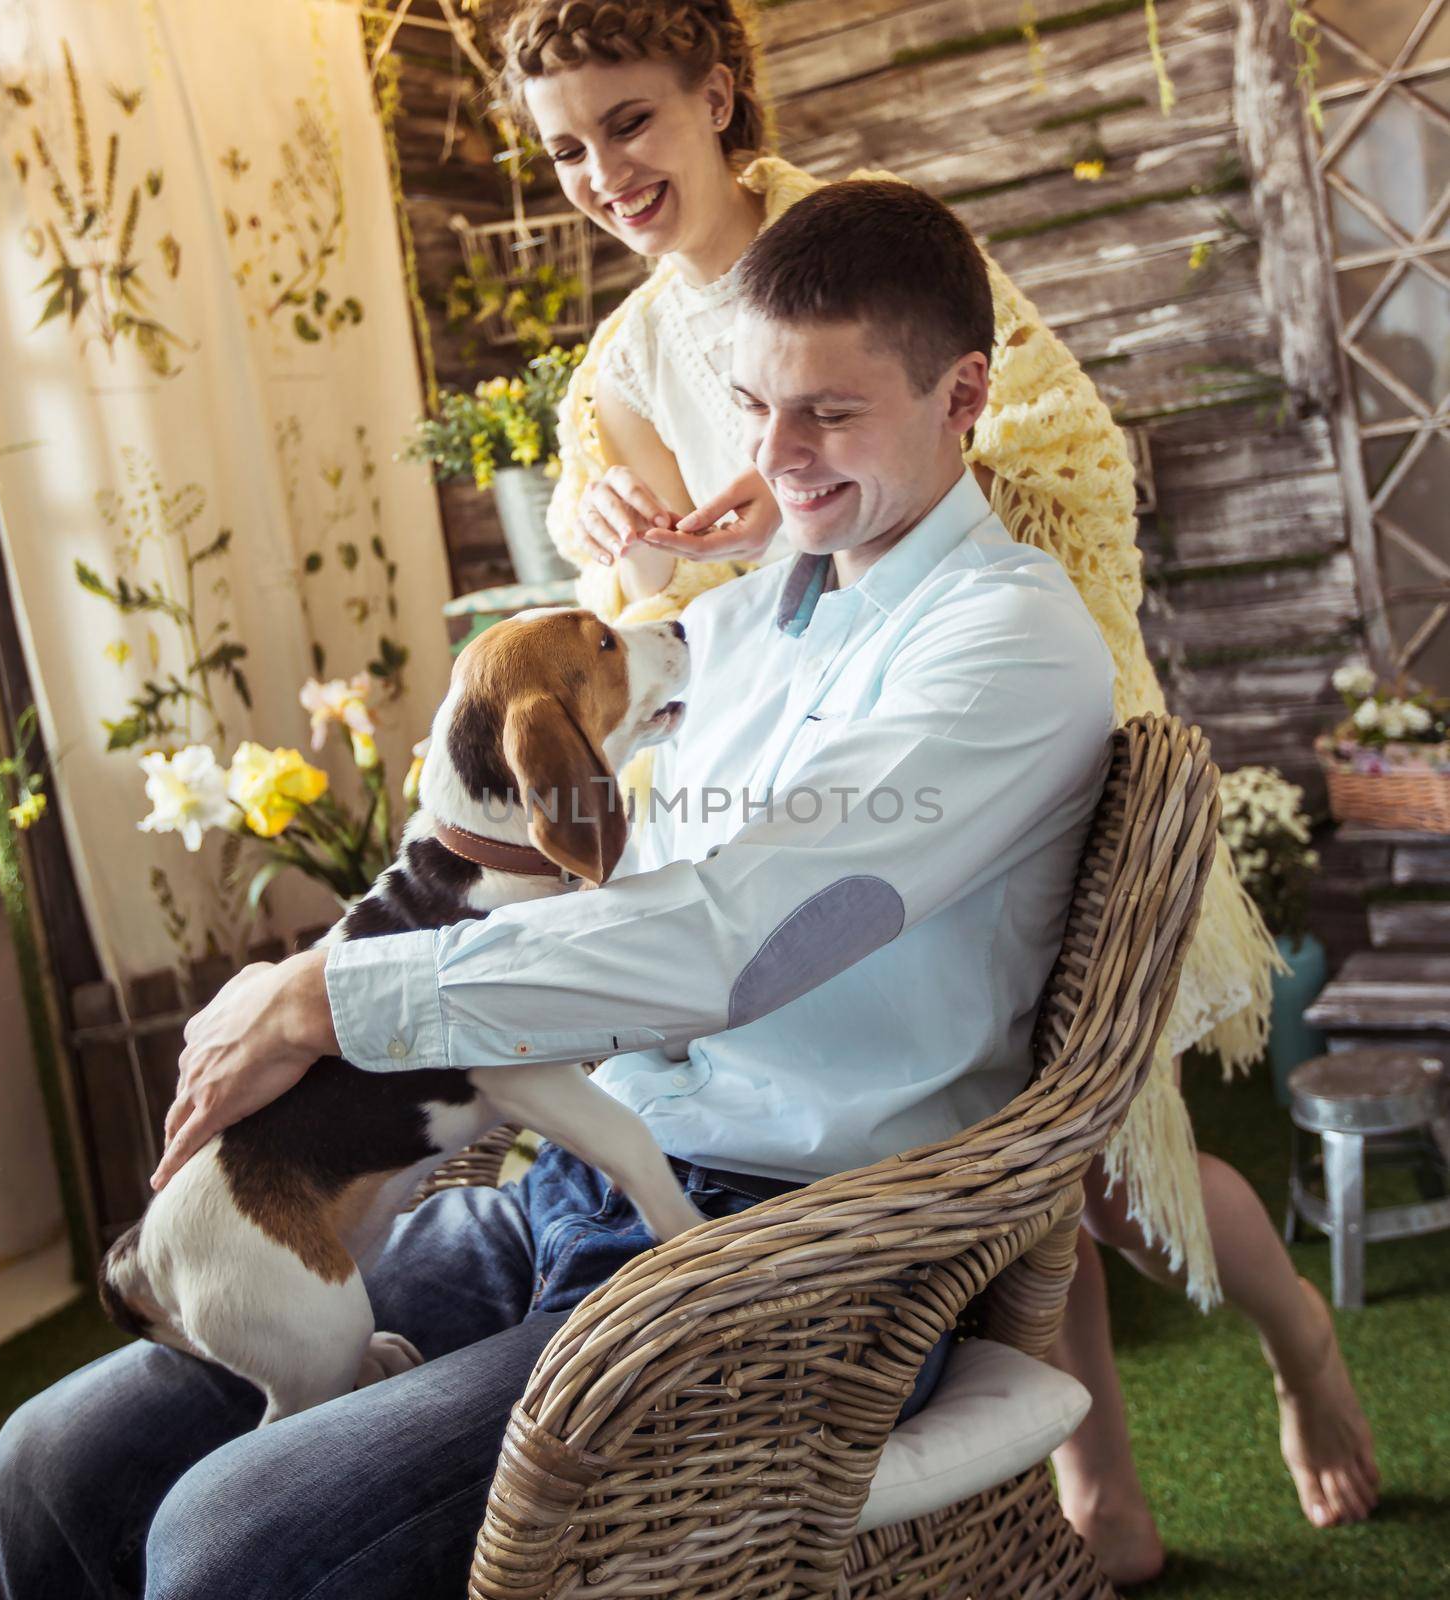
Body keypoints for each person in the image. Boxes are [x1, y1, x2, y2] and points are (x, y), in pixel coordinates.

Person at [0, 181, 1118, 1599]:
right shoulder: (751, 610)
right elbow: (543, 778)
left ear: (962, 396)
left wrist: (327, 988)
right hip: (576, 1181)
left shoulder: (1001, 649)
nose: (775, 455)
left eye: (829, 412)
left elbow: (737, 942)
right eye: (755, 405)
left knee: (230, 1542)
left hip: (787, 1249)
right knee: (46, 1464)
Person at [493, 0, 1379, 1576]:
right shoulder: (613, 376)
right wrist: (654, 564)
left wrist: (786, 515)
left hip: (994, 754)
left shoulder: (866, 254)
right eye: (564, 147)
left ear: (712, 97)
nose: (602, 170)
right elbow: (669, 648)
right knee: (1013, 1164)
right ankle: (1096, 1489)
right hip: (826, 793)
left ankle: (1295, 1340)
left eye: (627, 122)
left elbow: (1055, 462)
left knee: (1115, 1163)